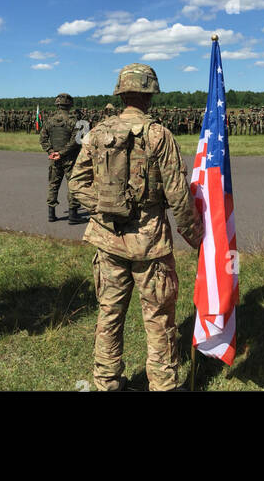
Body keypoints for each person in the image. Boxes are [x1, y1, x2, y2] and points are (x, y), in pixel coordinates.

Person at [68, 63, 203, 391]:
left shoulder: (99, 132)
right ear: (149, 94)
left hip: (107, 239)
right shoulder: (159, 135)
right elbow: (177, 196)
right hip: (149, 244)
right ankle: (164, 385)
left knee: (109, 314)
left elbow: (76, 184)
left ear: (122, 92)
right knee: (158, 318)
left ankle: (106, 381)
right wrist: (199, 240)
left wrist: (105, 207)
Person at [40, 93, 81, 223]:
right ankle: (73, 215)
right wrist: (62, 153)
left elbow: (43, 139)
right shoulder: (74, 121)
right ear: (69, 105)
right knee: (73, 185)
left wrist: (51, 151)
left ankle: (51, 215)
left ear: (57, 104)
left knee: (53, 185)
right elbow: (76, 141)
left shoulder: (49, 120)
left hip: (54, 158)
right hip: (70, 159)